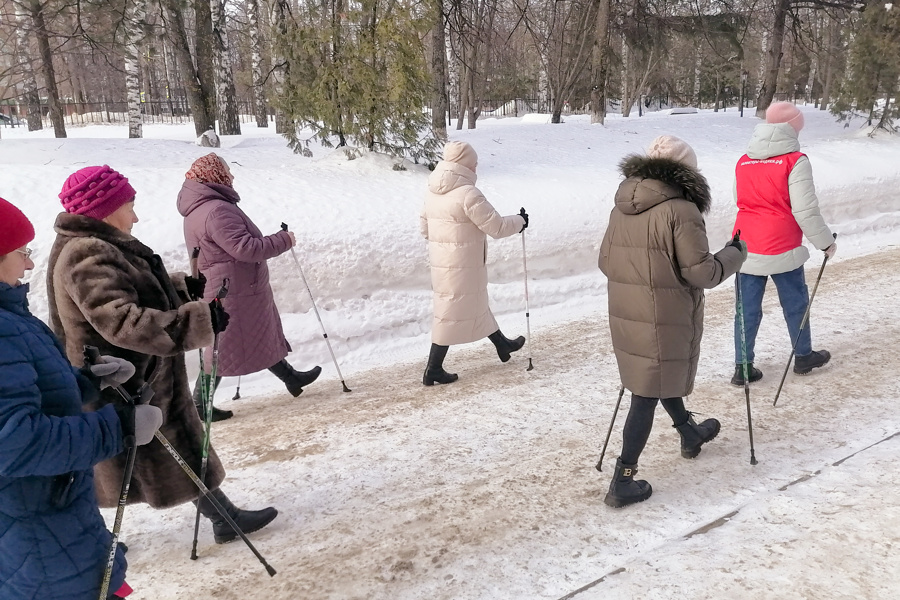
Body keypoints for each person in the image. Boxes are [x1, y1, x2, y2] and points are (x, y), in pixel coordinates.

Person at [47, 165, 278, 545]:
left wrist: (181, 289)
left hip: (136, 375)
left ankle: (224, 518)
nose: (135, 215)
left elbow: (136, 293)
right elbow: (121, 320)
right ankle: (89, 541)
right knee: (114, 462)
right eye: (129, 205)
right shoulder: (85, 253)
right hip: (118, 382)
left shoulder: (101, 244)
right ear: (105, 208)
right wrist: (196, 321)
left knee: (163, 450)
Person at [0, 197, 162, 600]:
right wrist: (118, 428)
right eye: (21, 252)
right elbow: (14, 441)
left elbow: (24, 393)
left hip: (46, 518)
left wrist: (86, 382)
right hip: (35, 534)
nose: (30, 264)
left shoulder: (10, 316)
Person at [599, 136, 746, 508]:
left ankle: (689, 432)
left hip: (627, 310)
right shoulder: (681, 210)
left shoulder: (621, 206)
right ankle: (623, 480)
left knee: (654, 376)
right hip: (664, 313)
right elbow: (703, 274)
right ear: (686, 172)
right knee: (645, 393)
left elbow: (605, 261)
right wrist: (734, 253)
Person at [177, 153, 321, 422]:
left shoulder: (201, 207)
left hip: (232, 286)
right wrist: (283, 239)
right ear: (213, 176)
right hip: (233, 290)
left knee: (256, 337)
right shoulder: (216, 210)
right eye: (226, 171)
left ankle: (291, 378)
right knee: (221, 347)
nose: (231, 176)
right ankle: (198, 405)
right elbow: (246, 248)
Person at [731, 102, 836, 386]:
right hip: (783, 245)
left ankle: (743, 367)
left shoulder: (744, 160)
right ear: (793, 128)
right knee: (795, 302)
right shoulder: (795, 160)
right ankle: (803, 356)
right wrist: (825, 242)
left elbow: (741, 200)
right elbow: (805, 210)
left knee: (746, 308)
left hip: (746, 245)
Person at [420, 140, 528, 385]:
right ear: (465, 165)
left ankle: (503, 345)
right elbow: (497, 227)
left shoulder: (431, 191)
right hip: (464, 264)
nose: (476, 168)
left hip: (443, 263)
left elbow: (424, 228)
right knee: (451, 314)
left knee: (474, 305)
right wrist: (521, 221)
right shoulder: (468, 193)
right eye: (474, 163)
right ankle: (433, 368)